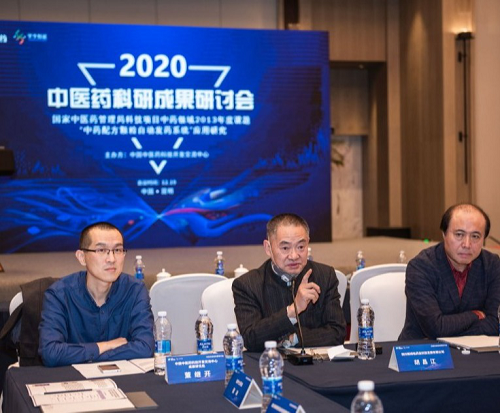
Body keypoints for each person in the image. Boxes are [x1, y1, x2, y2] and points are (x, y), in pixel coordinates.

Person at [39, 222, 154, 367]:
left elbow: (145, 347)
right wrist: (105, 346)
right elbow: (51, 353)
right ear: (82, 257)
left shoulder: (135, 290)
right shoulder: (59, 294)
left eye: (117, 250)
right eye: (101, 250)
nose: (111, 259)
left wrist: (83, 355)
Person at [232, 213, 346, 352]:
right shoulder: (247, 285)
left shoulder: (324, 276)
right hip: (269, 363)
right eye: (285, 248)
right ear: (268, 248)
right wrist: (292, 310)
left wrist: (293, 339)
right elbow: (251, 339)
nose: (294, 256)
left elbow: (337, 333)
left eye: (301, 247)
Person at [399, 203, 500, 340]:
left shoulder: (492, 265)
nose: (467, 244)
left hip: (476, 349)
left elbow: (495, 323)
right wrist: (475, 315)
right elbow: (435, 329)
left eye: (475, 236)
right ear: (444, 234)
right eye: (459, 234)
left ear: (484, 239)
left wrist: (449, 328)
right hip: (423, 349)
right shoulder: (421, 267)